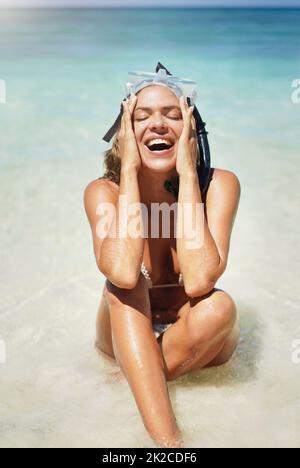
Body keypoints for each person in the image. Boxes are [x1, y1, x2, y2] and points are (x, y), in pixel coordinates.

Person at [84, 64, 241, 448]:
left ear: (192, 129)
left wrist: (188, 176)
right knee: (127, 284)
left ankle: (140, 378)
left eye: (173, 115)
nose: (158, 124)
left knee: (220, 307)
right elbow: (120, 272)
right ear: (124, 133)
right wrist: (131, 173)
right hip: (124, 331)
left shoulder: (218, 185)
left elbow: (201, 279)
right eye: (142, 117)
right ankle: (170, 444)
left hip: (195, 337)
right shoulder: (103, 191)